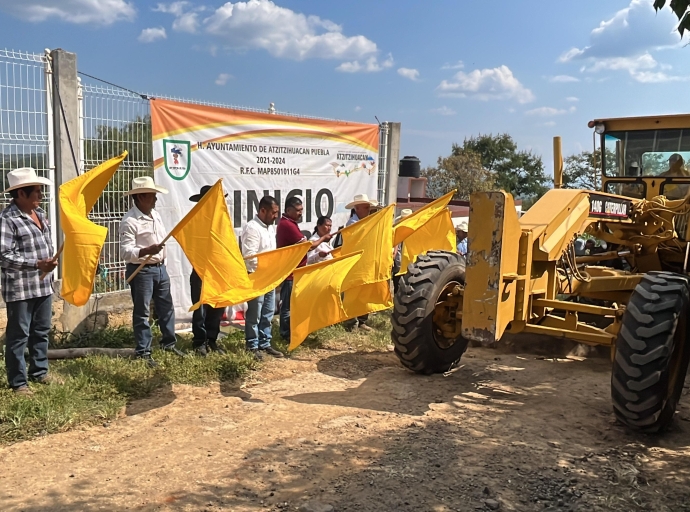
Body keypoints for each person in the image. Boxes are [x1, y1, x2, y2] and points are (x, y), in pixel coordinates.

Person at [0, 168, 58, 396]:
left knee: (41, 330)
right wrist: (36, 264)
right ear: (20, 194)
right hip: (21, 288)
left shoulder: (41, 214)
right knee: (19, 335)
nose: (40, 196)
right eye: (36, 192)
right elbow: (3, 255)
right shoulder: (7, 219)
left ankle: (39, 371)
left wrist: (48, 263)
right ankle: (18, 382)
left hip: (43, 284)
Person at [120, 176, 184, 367]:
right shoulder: (130, 221)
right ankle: (143, 351)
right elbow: (125, 252)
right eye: (151, 195)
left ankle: (169, 343)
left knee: (166, 307)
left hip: (159, 268)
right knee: (143, 311)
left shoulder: (154, 214)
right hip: (141, 271)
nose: (155, 199)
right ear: (140, 197)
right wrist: (147, 250)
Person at [276, 197, 333, 342]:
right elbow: (310, 246)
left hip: (297, 271)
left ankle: (292, 333)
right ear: (288, 210)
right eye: (298, 210)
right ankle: (286, 335)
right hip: (291, 272)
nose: (301, 213)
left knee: (293, 305)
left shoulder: (290, 223)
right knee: (288, 306)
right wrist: (323, 239)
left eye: (302, 210)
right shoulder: (287, 225)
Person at [241, 195, 284, 360]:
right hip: (257, 276)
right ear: (262, 210)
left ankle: (265, 343)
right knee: (255, 312)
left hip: (270, 276)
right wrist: (264, 269)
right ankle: (252, 345)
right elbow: (249, 256)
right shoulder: (252, 228)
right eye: (273, 213)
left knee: (268, 312)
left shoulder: (270, 227)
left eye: (277, 213)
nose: (275, 216)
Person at [188, 185, 227, 357]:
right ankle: (199, 342)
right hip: (201, 270)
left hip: (218, 270)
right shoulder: (196, 221)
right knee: (201, 308)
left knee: (217, 305)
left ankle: (211, 339)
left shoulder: (221, 221)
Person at [343, 193, 379, 332]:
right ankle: (352, 322)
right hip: (354, 263)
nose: (369, 210)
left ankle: (362, 320)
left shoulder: (365, 222)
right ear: (358, 208)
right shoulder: (352, 224)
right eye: (366, 207)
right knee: (354, 293)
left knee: (364, 291)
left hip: (364, 261)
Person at [392, 209, 412, 294]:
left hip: (407, 262)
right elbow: (395, 245)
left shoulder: (412, 229)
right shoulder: (398, 229)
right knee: (398, 283)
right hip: (400, 262)